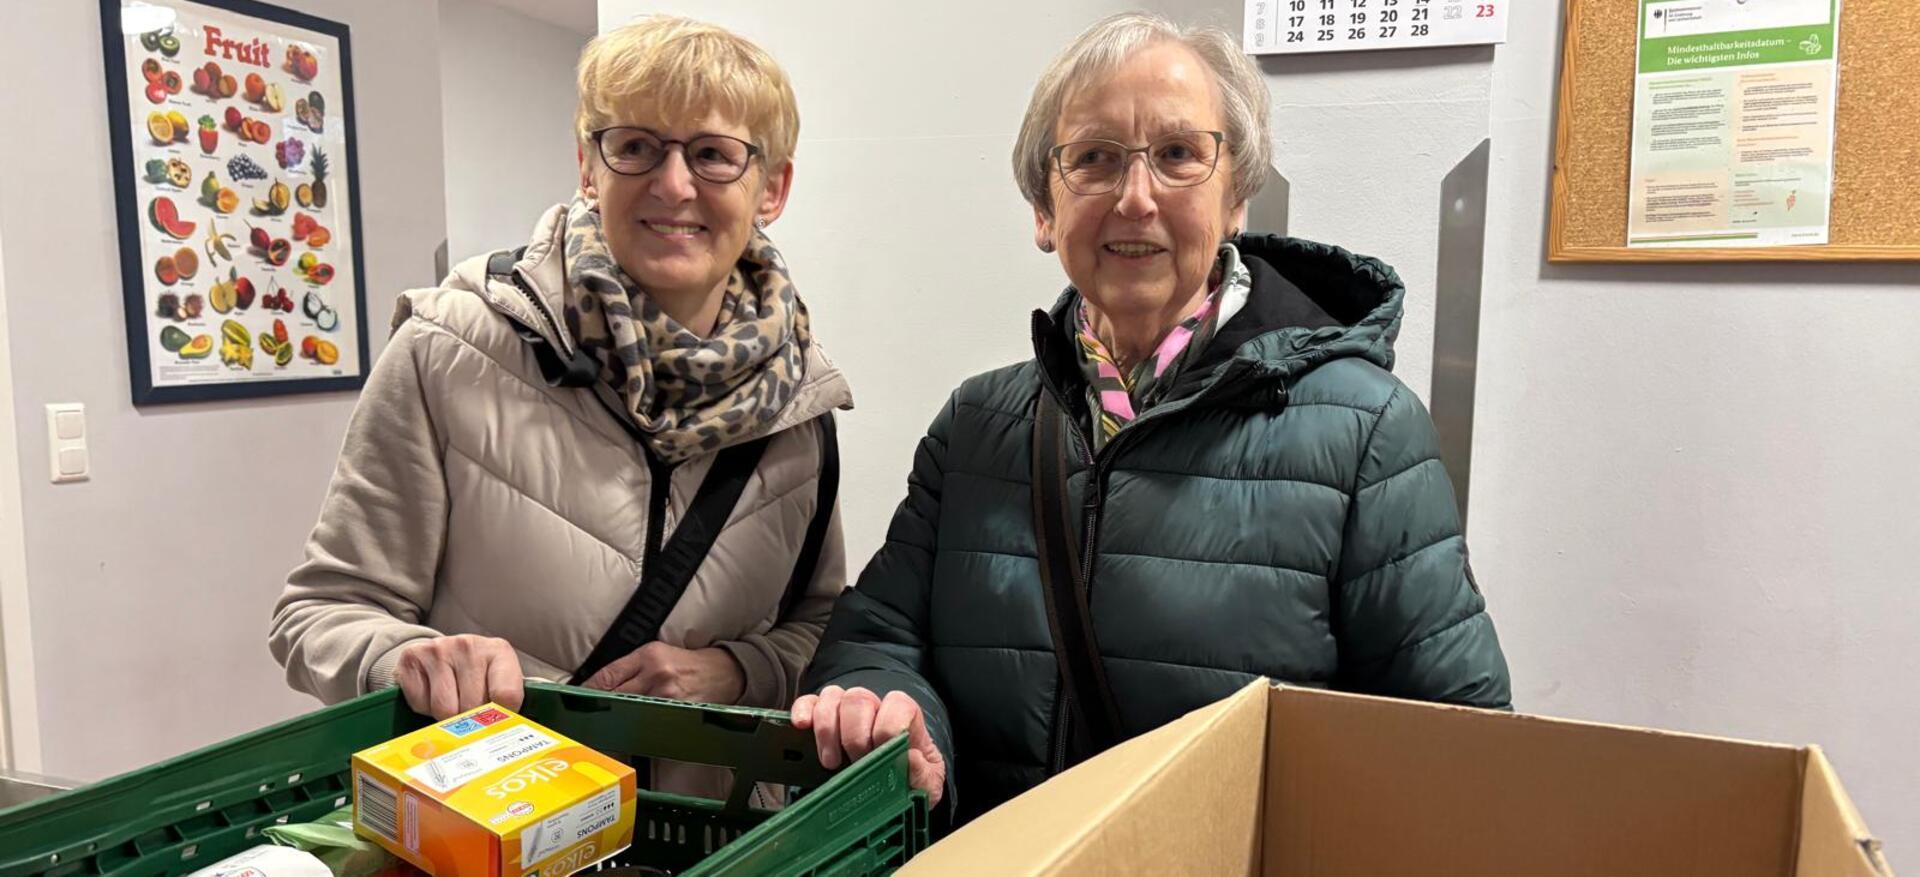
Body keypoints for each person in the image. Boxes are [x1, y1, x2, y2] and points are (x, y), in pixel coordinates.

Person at [792, 13, 1509, 826]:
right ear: (1042, 208)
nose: (1136, 199)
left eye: (1177, 155)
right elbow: (879, 633)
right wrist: (895, 716)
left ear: (1236, 195)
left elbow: (1458, 748)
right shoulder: (979, 423)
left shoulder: (1365, 433)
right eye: (1094, 159)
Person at [272, 17, 846, 756]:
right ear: (588, 166)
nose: (673, 185)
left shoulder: (798, 400)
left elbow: (823, 625)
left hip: (717, 845)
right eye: (636, 147)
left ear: (772, 188)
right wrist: (399, 659)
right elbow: (321, 611)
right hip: (486, 831)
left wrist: (739, 671)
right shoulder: (449, 348)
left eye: (713, 155)